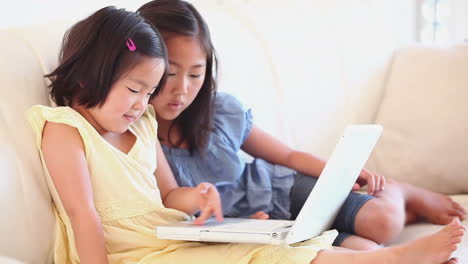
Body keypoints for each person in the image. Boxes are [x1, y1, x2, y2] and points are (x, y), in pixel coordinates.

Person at [25, 5, 465, 264]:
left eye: (148, 92)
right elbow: (85, 217)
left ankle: (385, 257)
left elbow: (169, 195)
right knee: (257, 253)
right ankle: (389, 259)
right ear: (89, 78)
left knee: (268, 246)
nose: (144, 103)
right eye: (137, 90)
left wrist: (197, 197)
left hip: (171, 233)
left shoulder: (142, 124)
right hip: (133, 254)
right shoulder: (65, 131)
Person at [137, 0, 467, 251]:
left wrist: (340, 172)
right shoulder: (139, 133)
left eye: (195, 74)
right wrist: (228, 220)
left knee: (382, 221)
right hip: (260, 226)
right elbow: (171, 200)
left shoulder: (221, 111)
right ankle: (403, 212)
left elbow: (290, 156)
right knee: (367, 251)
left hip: (283, 189)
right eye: (169, 73)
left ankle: (399, 191)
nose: (182, 89)